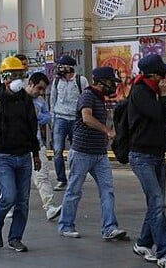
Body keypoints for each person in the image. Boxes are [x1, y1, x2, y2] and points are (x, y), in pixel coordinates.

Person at [57, 66, 127, 241]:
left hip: (99, 154)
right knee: (74, 190)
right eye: (111, 82)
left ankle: (109, 228)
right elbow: (87, 118)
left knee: (107, 190)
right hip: (82, 152)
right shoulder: (88, 95)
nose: (113, 86)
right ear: (101, 81)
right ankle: (66, 225)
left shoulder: (99, 98)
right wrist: (107, 131)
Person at [0, 56, 41, 252]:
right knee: (8, 196)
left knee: (23, 201)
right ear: (5, 77)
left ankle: (15, 237)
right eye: (14, 75)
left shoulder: (25, 99)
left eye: (21, 75)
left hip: (24, 156)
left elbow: (32, 127)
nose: (18, 79)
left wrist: (36, 153)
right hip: (2, 156)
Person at [128, 55, 166, 268]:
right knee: (158, 203)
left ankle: (143, 242)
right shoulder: (140, 91)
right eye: (162, 73)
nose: (165, 77)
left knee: (155, 203)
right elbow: (157, 114)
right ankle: (165, 253)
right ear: (154, 74)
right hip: (142, 157)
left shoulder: (152, 91)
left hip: (157, 155)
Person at [22, 71, 63, 221]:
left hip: (37, 144)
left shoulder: (40, 101)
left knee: (42, 176)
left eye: (43, 90)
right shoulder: (18, 98)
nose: (40, 92)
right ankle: (10, 207)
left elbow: (48, 116)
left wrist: (37, 116)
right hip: (18, 146)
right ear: (30, 84)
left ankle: (49, 206)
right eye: (39, 88)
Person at [49, 55, 89, 191]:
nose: (59, 68)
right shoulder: (56, 81)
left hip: (76, 119)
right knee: (57, 150)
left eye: (62, 65)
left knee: (76, 151)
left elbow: (87, 98)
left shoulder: (81, 80)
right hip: (60, 118)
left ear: (69, 67)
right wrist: (52, 120)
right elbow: (53, 99)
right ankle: (61, 179)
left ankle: (74, 178)